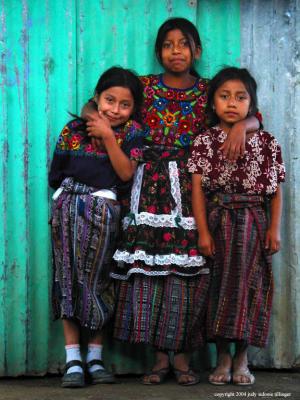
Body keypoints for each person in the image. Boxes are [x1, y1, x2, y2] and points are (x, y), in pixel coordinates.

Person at [86, 17, 260, 386]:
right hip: (146, 187)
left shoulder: (210, 89)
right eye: (168, 44)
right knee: (148, 270)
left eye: (184, 44)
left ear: (197, 50)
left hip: (191, 188)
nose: (176, 51)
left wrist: (243, 127)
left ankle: (182, 357)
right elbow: (93, 105)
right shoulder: (144, 87)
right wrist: (95, 122)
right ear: (158, 52)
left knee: (186, 272)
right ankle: (157, 359)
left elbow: (252, 114)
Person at [188, 67, 285, 385]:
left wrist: (274, 229)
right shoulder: (204, 141)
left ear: (251, 104)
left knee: (250, 289)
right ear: (213, 103)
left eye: (240, 97)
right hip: (218, 223)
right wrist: (203, 231)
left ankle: (242, 357)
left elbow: (274, 191)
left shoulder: (267, 142)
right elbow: (198, 190)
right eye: (224, 96)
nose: (232, 103)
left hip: (254, 224)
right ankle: (223, 356)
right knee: (217, 288)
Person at [48, 66, 144, 388]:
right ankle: (73, 360)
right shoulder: (72, 130)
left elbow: (126, 174)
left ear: (133, 109)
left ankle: (95, 358)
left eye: (124, 104)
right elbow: (55, 174)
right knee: (67, 278)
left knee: (99, 280)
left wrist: (107, 136)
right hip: (67, 213)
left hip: (104, 217)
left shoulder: (131, 134)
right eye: (109, 100)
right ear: (96, 98)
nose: (115, 109)